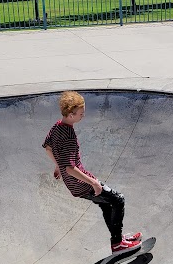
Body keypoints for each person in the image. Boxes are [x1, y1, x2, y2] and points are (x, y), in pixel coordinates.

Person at [43, 91, 141, 253]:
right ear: (71, 114)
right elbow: (70, 168)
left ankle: (118, 239)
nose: (83, 116)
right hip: (80, 183)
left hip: (72, 184)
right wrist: (93, 183)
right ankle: (118, 244)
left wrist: (57, 165)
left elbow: (48, 148)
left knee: (107, 205)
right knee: (118, 200)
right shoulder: (68, 135)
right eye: (81, 113)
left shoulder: (57, 126)